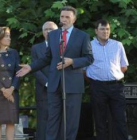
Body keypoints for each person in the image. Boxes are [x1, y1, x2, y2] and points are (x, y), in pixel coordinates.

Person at [16, 6, 93, 140]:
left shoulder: (83, 36)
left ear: (74, 19)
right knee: (52, 119)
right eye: (62, 16)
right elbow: (47, 58)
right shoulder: (53, 35)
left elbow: (89, 58)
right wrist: (30, 67)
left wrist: (72, 61)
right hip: (54, 83)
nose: (64, 19)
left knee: (70, 121)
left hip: (73, 85)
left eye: (67, 17)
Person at [86, 19, 129, 140]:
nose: (105, 31)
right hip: (97, 87)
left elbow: (124, 66)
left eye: (108, 29)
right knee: (99, 120)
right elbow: (84, 70)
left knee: (120, 119)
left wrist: (113, 76)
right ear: (96, 31)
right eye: (102, 29)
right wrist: (96, 81)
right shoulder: (89, 46)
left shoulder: (118, 45)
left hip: (116, 87)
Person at [31, 21, 58, 140]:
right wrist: (47, 82)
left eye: (51, 29)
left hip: (60, 89)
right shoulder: (36, 48)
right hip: (43, 90)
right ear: (42, 32)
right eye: (46, 29)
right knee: (43, 122)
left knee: (59, 121)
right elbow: (34, 68)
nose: (48, 32)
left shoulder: (63, 47)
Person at [0, 27, 20, 140]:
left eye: (9, 36)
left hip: (12, 92)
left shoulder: (14, 53)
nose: (9, 38)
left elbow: (18, 72)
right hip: (1, 92)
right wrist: (3, 90)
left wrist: (11, 89)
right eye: (6, 36)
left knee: (11, 122)